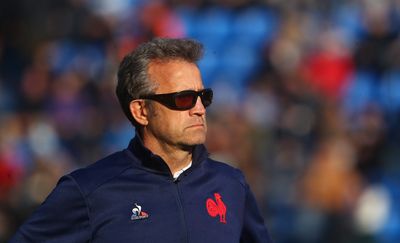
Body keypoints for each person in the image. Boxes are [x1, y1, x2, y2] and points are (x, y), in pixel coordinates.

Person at [10, 38, 272, 242]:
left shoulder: (231, 184)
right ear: (141, 111)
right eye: (184, 98)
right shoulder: (89, 190)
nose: (199, 108)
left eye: (204, 97)